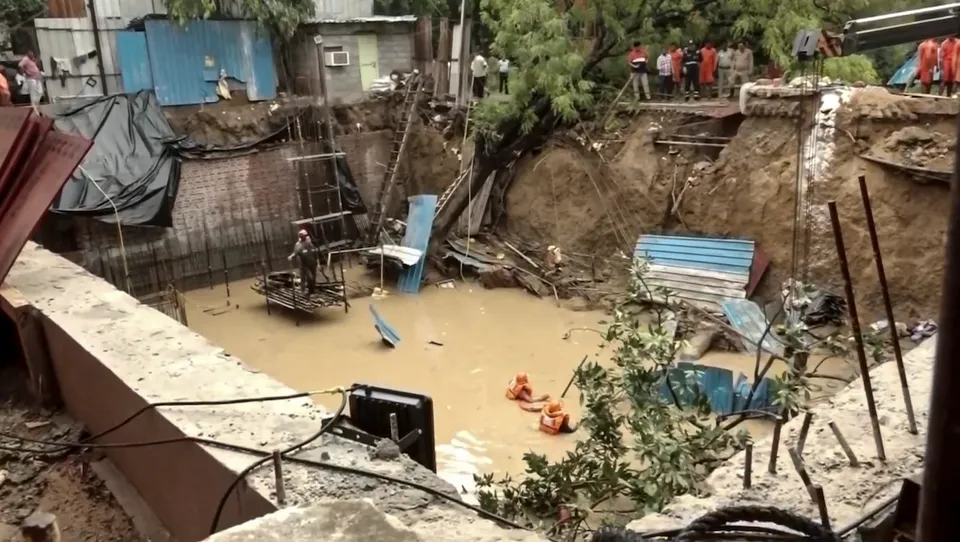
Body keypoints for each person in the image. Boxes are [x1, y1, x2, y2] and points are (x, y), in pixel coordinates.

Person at [287, 229, 318, 294]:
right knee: (305, 277)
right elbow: (296, 253)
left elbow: (315, 254)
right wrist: (291, 256)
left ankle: (311, 290)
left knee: (312, 278)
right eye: (304, 235)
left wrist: (318, 263)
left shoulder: (311, 245)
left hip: (312, 264)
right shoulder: (299, 245)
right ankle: (303, 290)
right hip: (303, 263)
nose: (306, 237)